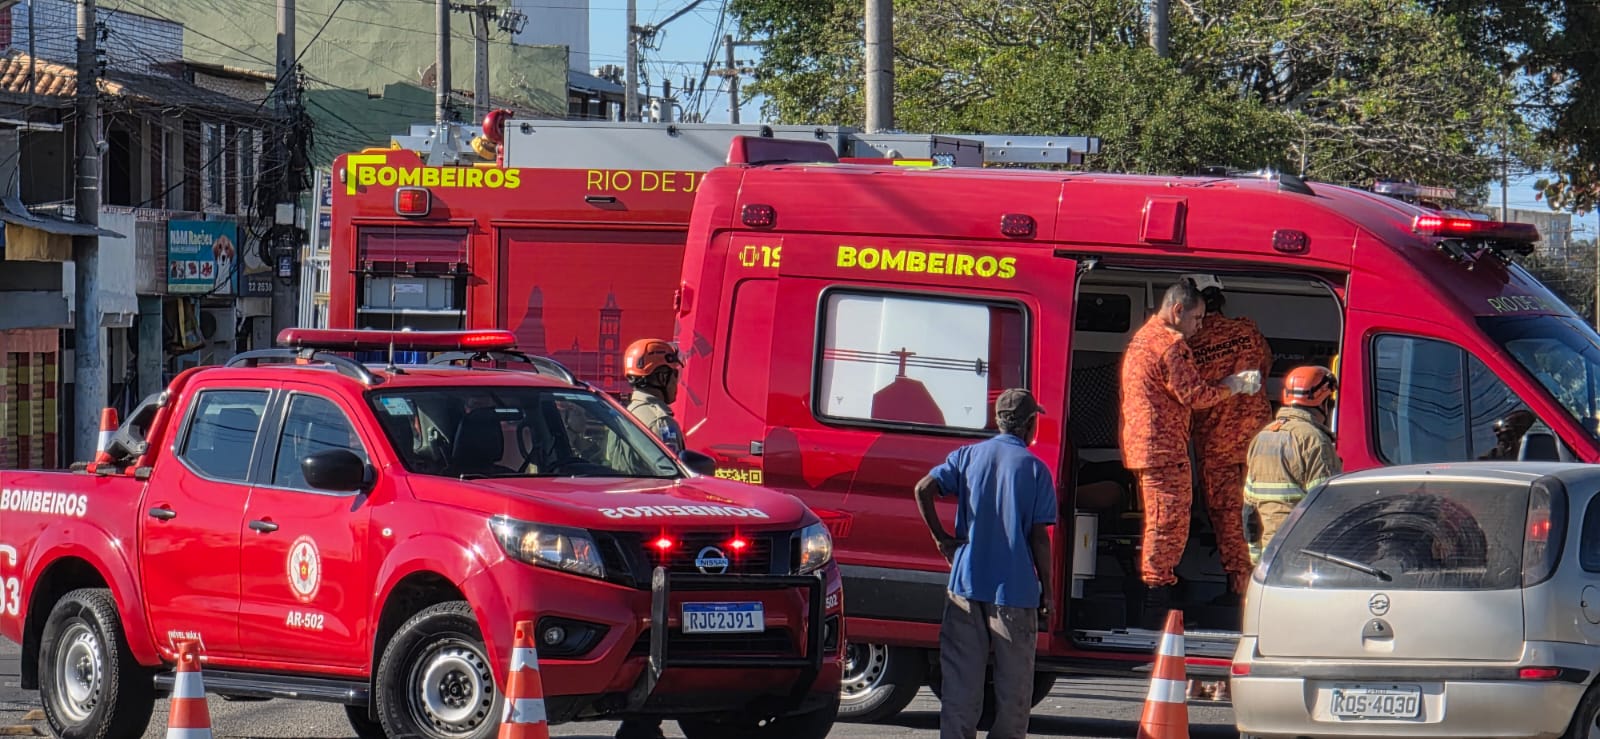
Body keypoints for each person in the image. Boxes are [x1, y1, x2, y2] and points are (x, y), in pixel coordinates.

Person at [914, 389, 1056, 739]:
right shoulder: (1036, 469)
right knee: (1014, 690)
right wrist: (1049, 593)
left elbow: (923, 488)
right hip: (1014, 590)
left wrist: (941, 538)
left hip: (965, 584)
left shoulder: (967, 456)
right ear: (1029, 425)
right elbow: (1039, 537)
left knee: (961, 683)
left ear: (997, 420)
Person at [1120, 279, 1260, 629]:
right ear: (1178, 310)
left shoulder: (1142, 339)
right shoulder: (1172, 346)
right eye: (1197, 319)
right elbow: (1194, 395)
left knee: (1165, 518)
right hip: (1166, 446)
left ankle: (1161, 587)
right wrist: (1233, 385)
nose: (1201, 326)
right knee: (1170, 521)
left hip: (1156, 444)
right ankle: (1158, 597)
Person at [1181, 275, 1272, 601]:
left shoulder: (1187, 344)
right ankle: (1265, 589)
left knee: (1229, 517)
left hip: (1216, 446)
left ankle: (1241, 590)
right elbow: (1265, 367)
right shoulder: (1247, 331)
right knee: (1265, 512)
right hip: (1259, 442)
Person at [613, 339, 686, 739]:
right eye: (673, 373)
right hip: (658, 530)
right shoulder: (660, 423)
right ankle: (642, 723)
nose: (677, 380)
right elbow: (673, 481)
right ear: (659, 375)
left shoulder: (623, 414)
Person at [1244, 365, 1342, 561]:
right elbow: (1327, 506)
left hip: (1269, 556)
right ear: (1322, 403)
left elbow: (1249, 509)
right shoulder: (1314, 440)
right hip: (1302, 555)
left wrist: (1256, 556)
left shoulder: (1262, 438)